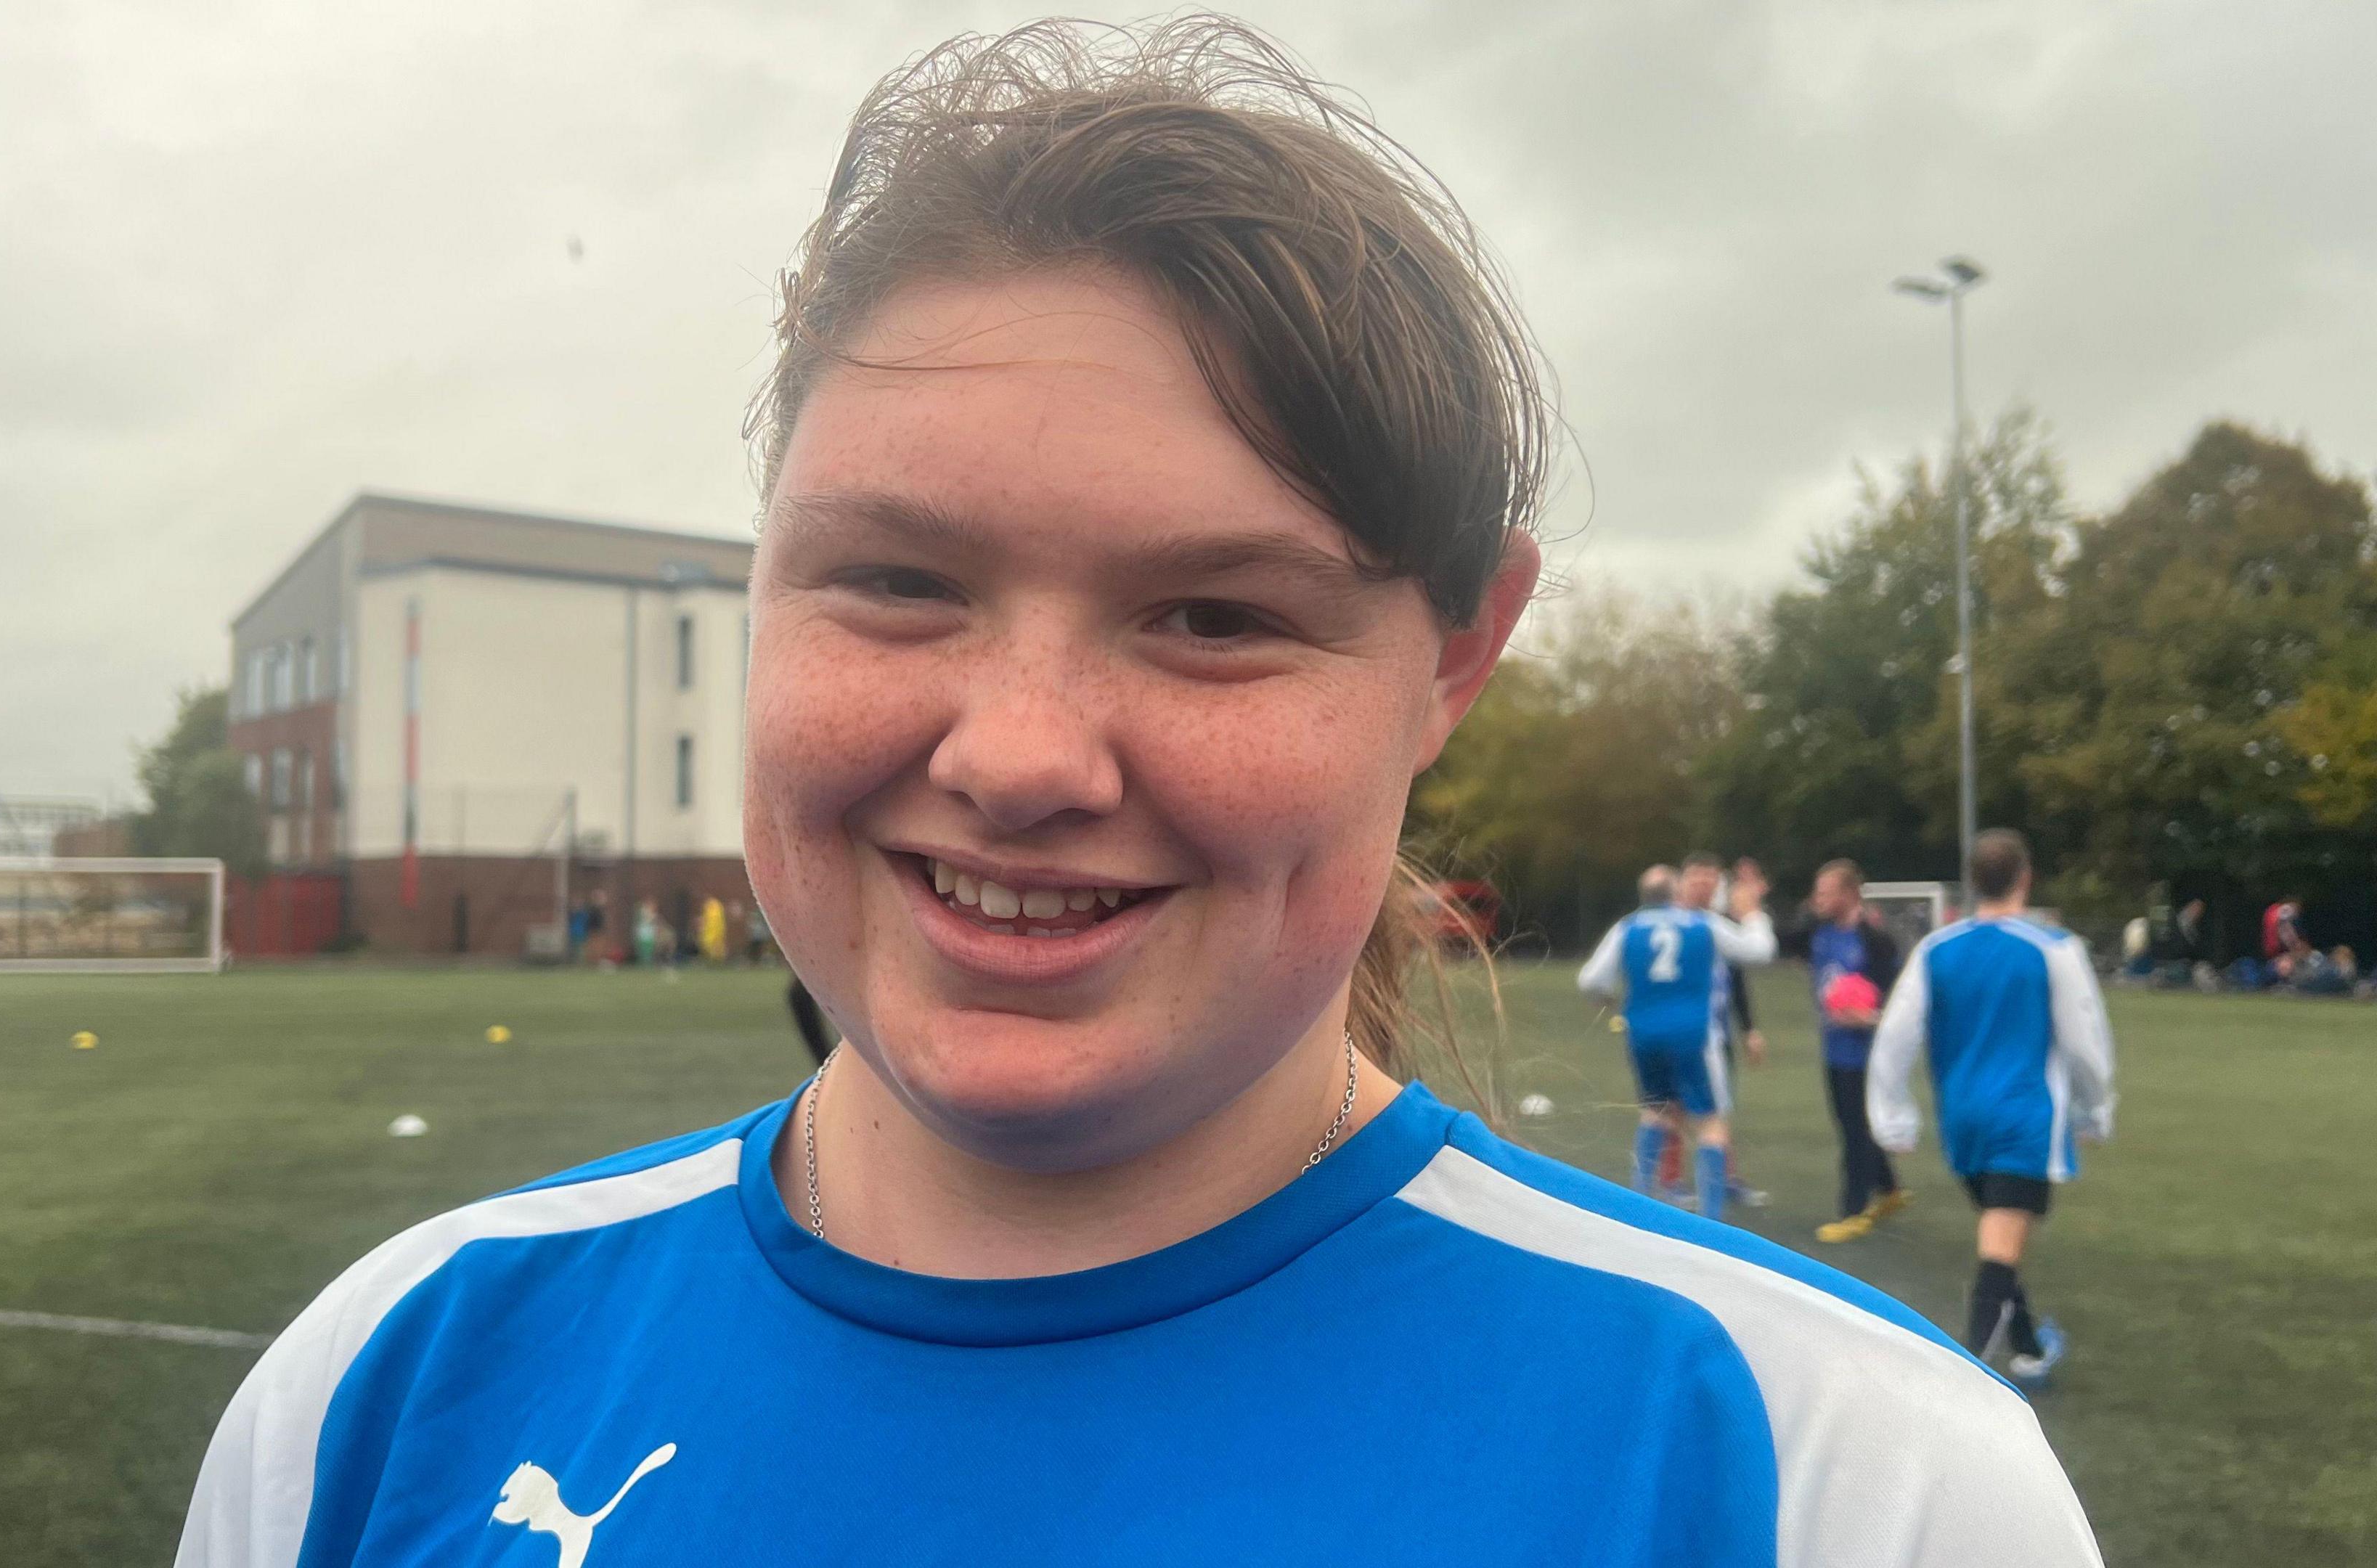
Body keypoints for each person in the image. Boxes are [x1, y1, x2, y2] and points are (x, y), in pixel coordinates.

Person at [179, 20, 2100, 1564]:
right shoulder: (383, 1385)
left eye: (1210, 614)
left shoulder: (1843, 1486)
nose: (1018, 754)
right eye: (901, 582)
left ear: (1452, 656)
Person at [1871, 830, 2116, 1390]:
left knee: (2001, 1238)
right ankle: (1968, 1388)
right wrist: (2096, 1109)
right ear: (2025, 878)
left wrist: (1894, 1116)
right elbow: (2085, 1043)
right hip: (2023, 1119)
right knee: (2001, 1249)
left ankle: (2029, 1349)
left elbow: (1894, 1038)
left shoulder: (1936, 950)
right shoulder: (2054, 949)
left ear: (1971, 881)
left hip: (1963, 1123)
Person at [1580, 857, 1778, 1220]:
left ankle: (1638, 1202)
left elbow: (1591, 980)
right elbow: (1759, 952)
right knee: (1711, 1121)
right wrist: (1753, 915)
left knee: (1655, 1112)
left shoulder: (1628, 927)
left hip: (1643, 1034)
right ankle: (1712, 1218)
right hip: (1694, 1034)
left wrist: (1610, 1000)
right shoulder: (1703, 923)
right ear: (1677, 891)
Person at [1653, 854, 1767, 1206]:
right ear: (1683, 882)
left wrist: (1749, 1028)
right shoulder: (1669, 924)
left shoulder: (1719, 926)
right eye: (1696, 878)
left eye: (1710, 878)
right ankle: (1669, 1179)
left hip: (1715, 1033)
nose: (1704, 884)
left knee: (1718, 1105)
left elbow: (1736, 978)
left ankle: (1724, 1178)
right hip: (1677, 1031)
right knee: (1673, 1104)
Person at [1804, 859, 1909, 1244]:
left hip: (1867, 1054)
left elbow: (1901, 1004)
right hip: (1834, 1049)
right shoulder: (1819, 932)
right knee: (1852, 1125)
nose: (1818, 899)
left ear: (1850, 894)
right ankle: (1891, 1190)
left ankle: (1854, 1211)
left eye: (1826, 892)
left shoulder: (1876, 940)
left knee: (1855, 1131)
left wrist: (1867, 1017)